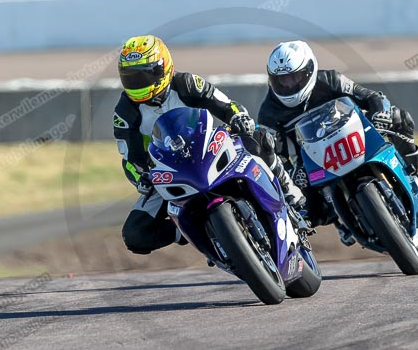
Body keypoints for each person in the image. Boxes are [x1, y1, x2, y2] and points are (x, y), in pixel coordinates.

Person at [114, 35, 305, 255]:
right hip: (169, 171)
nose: (140, 83)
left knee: (258, 137)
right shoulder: (125, 113)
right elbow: (130, 160)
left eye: (145, 75)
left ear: (163, 68)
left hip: (208, 149)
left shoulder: (185, 83)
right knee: (135, 235)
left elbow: (225, 105)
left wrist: (237, 118)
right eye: (132, 78)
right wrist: (141, 178)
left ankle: (288, 191)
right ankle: (192, 231)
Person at [257, 40, 418, 246]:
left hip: (350, 135)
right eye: (282, 80)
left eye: (294, 77)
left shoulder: (331, 79)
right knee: (307, 211)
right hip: (310, 159)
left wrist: (379, 112)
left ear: (309, 70)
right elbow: (273, 154)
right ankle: (341, 221)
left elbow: (371, 97)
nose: (288, 85)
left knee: (400, 118)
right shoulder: (268, 112)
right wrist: (290, 172)